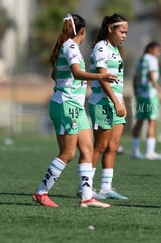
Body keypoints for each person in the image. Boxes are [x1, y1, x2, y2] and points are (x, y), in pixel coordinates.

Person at [32, 13, 116, 208]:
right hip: (66, 106)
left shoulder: (70, 47)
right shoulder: (70, 46)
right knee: (68, 153)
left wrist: (66, 86)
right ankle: (41, 192)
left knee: (87, 149)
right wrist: (100, 77)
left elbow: (56, 75)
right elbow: (77, 73)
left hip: (75, 106)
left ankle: (87, 197)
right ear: (83, 31)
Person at [88, 13, 129, 200]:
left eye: (126, 32)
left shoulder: (115, 49)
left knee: (113, 145)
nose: (124, 36)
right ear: (110, 29)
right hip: (102, 102)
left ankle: (105, 187)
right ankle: (86, 187)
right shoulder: (101, 48)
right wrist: (116, 101)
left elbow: (117, 79)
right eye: (122, 31)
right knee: (101, 146)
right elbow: (103, 78)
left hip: (116, 102)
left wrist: (121, 102)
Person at [131, 41, 161, 160]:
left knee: (139, 121)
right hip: (150, 95)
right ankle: (150, 152)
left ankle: (135, 151)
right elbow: (151, 76)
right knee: (152, 121)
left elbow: (134, 78)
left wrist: (135, 92)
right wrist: (160, 92)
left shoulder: (140, 60)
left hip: (140, 94)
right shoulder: (152, 59)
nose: (158, 54)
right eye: (157, 51)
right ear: (150, 49)